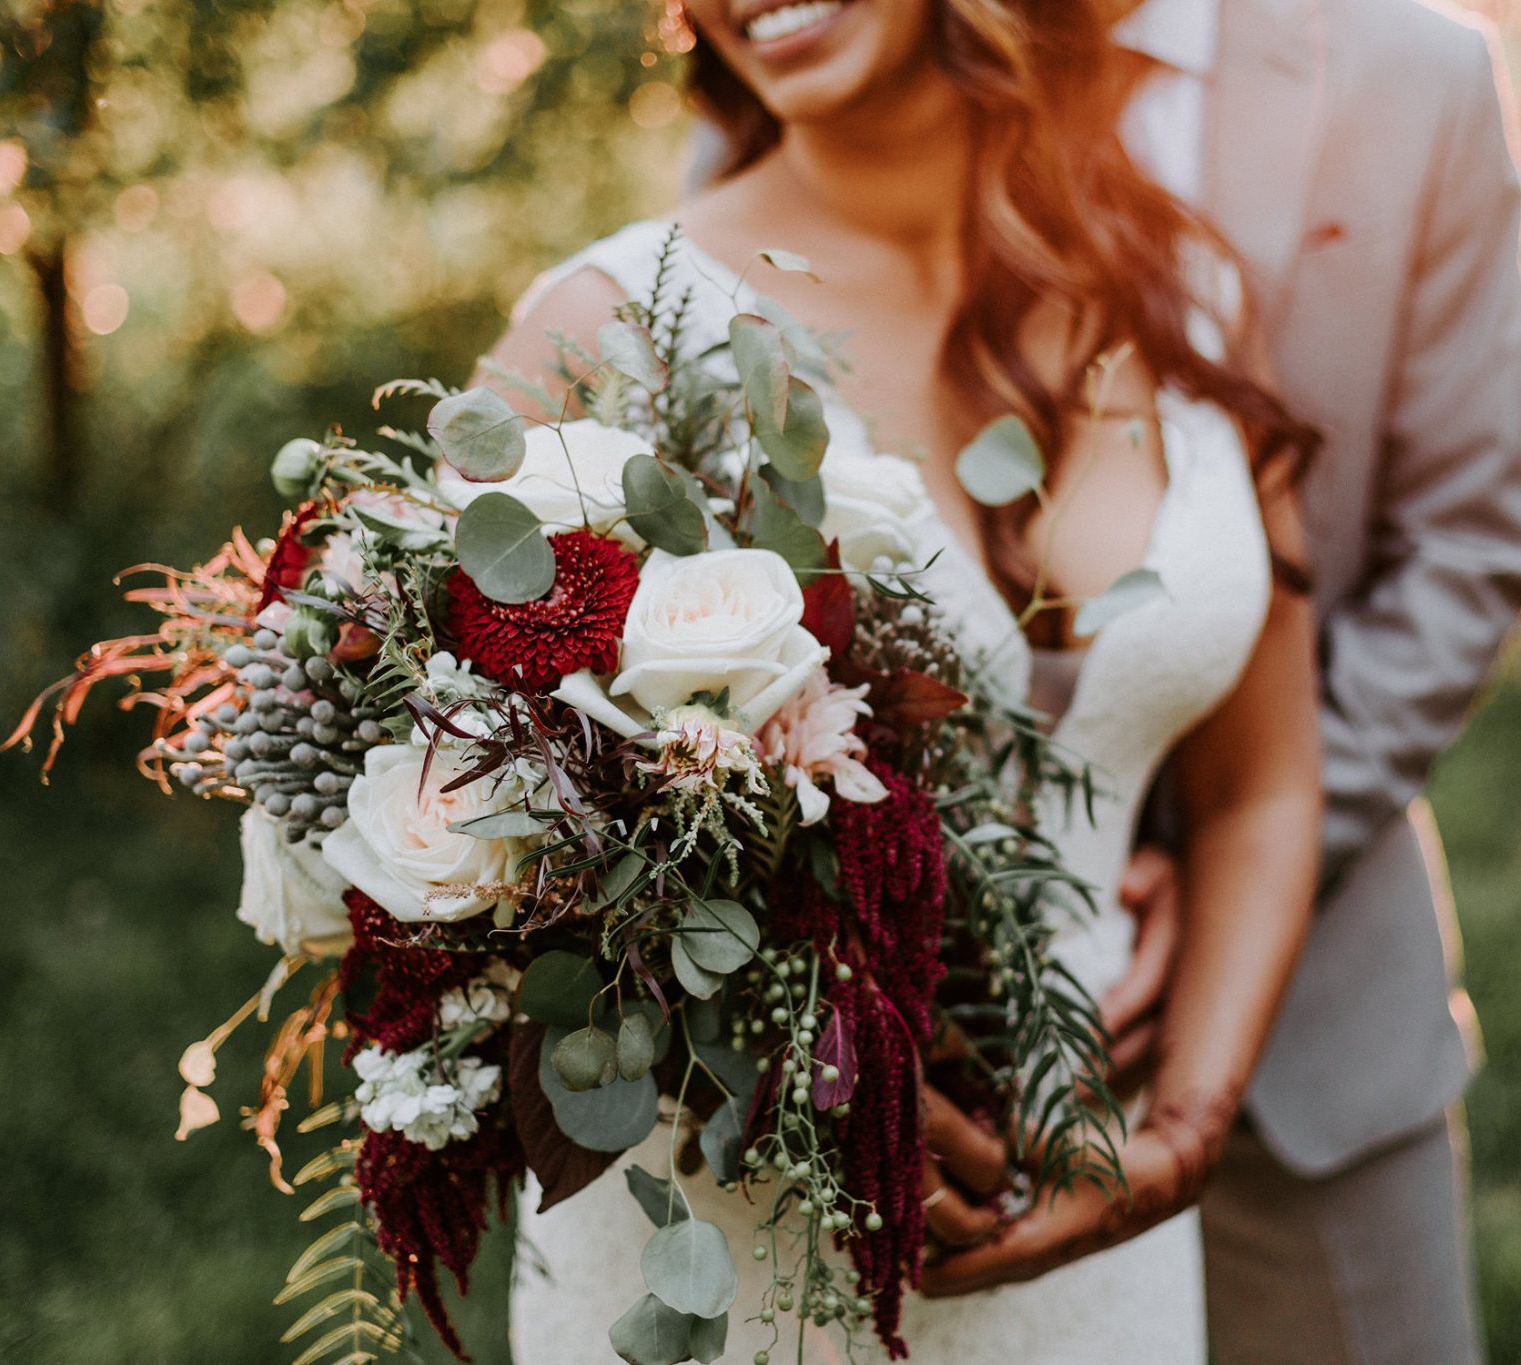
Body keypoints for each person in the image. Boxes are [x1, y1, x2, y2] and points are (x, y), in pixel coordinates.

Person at [481, 0, 1325, 1360]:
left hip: (1097, 1220)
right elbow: (463, 838)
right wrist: (798, 1042)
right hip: (737, 1244)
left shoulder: (1180, 286)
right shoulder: (610, 329)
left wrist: (1183, 1129)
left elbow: (1263, 785)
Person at [1092, 0, 1521, 1360]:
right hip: (949, 1040)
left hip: (1319, 1029)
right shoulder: (871, 69)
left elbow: (1470, 542)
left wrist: (1245, 857)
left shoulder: (1417, 73)